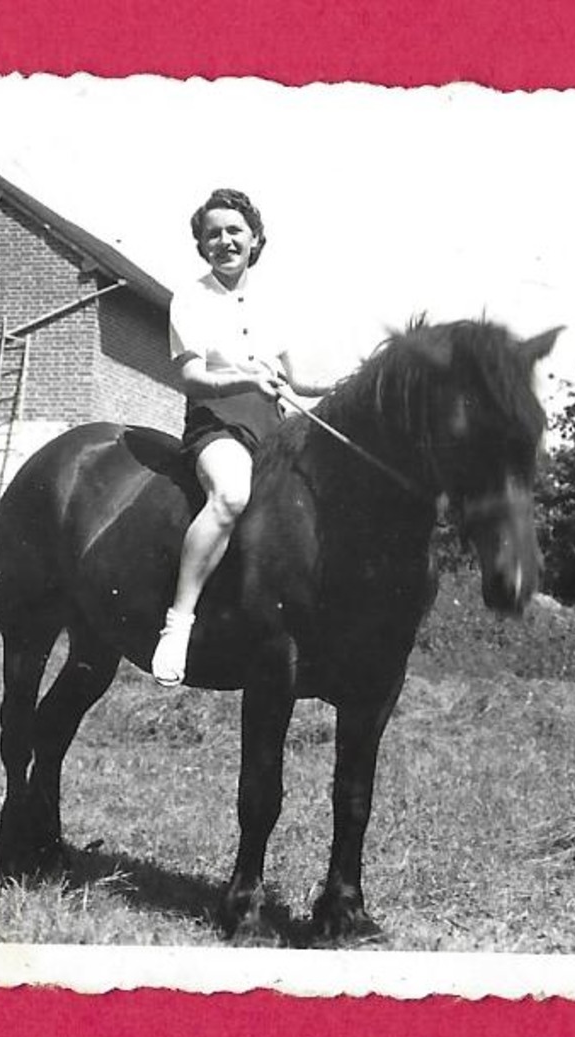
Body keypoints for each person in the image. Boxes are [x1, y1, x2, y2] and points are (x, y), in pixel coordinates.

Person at [152, 188, 321, 687]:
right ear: (201, 244)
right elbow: (192, 378)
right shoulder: (191, 298)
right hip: (217, 423)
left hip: (272, 426)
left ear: (255, 238)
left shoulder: (276, 302)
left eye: (234, 231)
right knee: (231, 494)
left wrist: (344, 382)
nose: (224, 241)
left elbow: (299, 380)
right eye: (213, 234)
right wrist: (248, 379)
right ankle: (179, 622)